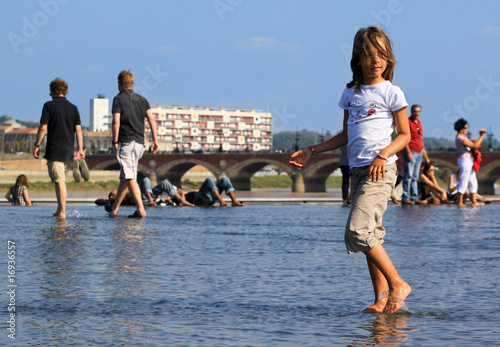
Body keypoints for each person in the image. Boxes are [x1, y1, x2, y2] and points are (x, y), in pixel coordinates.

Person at [289, 26, 411, 314]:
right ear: (357, 58)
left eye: (380, 54)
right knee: (371, 235)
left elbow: (404, 135)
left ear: (388, 58)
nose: (375, 60)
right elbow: (346, 134)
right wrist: (313, 151)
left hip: (380, 171)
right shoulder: (350, 93)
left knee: (357, 232)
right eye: (368, 54)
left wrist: (383, 155)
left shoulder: (391, 92)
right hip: (357, 171)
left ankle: (397, 284)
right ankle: (382, 299)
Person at [107, 70, 159, 218]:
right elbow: (152, 120)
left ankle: (141, 210)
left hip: (127, 143)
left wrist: (115, 140)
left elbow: (116, 121)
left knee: (130, 177)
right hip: (139, 144)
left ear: (121, 84)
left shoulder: (118, 99)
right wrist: (155, 140)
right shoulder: (143, 100)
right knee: (125, 177)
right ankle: (115, 209)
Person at [33, 78, 84, 219]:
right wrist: (80, 149)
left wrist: (36, 145)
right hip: (68, 151)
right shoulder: (73, 108)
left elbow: (43, 127)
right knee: (59, 180)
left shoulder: (49, 106)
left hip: (55, 149)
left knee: (59, 180)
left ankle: (62, 212)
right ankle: (59, 209)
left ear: (53, 91)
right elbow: (78, 131)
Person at [454, 118, 486, 208]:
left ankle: (474, 201)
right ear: (461, 128)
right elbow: (474, 146)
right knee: (464, 181)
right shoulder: (461, 138)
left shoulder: (462, 138)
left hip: (469, 161)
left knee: (473, 181)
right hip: (465, 161)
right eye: (465, 127)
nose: (467, 129)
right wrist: (481, 136)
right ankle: (460, 202)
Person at [401, 104, 430, 205]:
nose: (416, 114)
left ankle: (414, 197)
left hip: (419, 152)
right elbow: (405, 137)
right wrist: (408, 151)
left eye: (418, 112)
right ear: (411, 111)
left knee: (415, 177)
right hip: (411, 151)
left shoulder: (419, 122)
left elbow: (420, 138)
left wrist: (425, 156)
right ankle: (405, 197)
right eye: (415, 111)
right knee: (408, 175)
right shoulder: (408, 122)